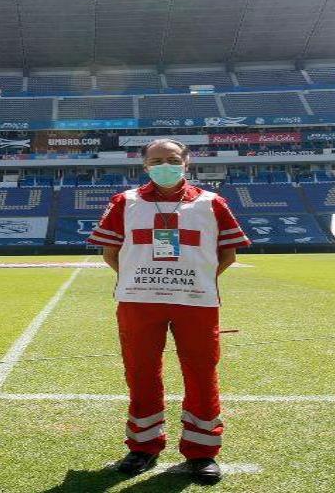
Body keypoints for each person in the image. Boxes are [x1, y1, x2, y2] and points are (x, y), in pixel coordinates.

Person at [86, 138, 250, 484]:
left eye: (172, 159)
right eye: (156, 159)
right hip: (138, 301)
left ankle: (202, 452)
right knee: (141, 371)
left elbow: (228, 255)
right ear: (145, 165)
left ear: (186, 162)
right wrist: (140, 280)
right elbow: (110, 253)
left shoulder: (212, 203)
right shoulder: (124, 202)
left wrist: (192, 281)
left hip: (196, 302)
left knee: (202, 373)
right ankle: (143, 446)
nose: (164, 164)